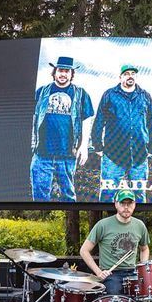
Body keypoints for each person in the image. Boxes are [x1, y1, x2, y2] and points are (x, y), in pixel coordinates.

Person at [91, 64, 152, 203]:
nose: (130, 76)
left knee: (139, 195)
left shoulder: (145, 96)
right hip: (113, 156)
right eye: (126, 73)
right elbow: (99, 121)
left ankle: (139, 223)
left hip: (139, 155)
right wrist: (97, 146)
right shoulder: (109, 95)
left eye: (133, 73)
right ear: (120, 77)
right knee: (107, 194)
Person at [30, 56, 94, 202]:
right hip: (42, 154)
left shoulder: (81, 94)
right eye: (60, 70)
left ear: (72, 74)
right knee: (39, 197)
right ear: (55, 72)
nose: (63, 74)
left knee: (68, 196)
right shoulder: (41, 92)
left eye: (67, 71)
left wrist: (84, 146)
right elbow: (32, 116)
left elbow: (87, 119)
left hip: (67, 154)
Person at [80, 189, 151, 295]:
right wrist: (99, 272)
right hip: (111, 273)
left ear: (134, 204)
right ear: (116, 204)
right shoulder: (103, 225)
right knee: (115, 301)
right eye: (122, 203)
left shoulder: (139, 225)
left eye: (130, 203)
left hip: (132, 272)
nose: (126, 207)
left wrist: (143, 267)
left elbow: (144, 249)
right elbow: (84, 251)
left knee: (143, 299)